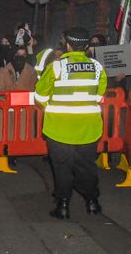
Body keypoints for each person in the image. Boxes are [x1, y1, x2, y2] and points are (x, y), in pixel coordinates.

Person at [35, 28, 107, 219]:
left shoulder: (57, 67)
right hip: (88, 128)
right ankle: (92, 203)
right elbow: (99, 95)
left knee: (62, 168)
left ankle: (63, 206)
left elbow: (40, 96)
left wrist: (54, 105)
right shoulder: (97, 67)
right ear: (86, 45)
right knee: (87, 166)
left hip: (59, 128)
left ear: (67, 44)